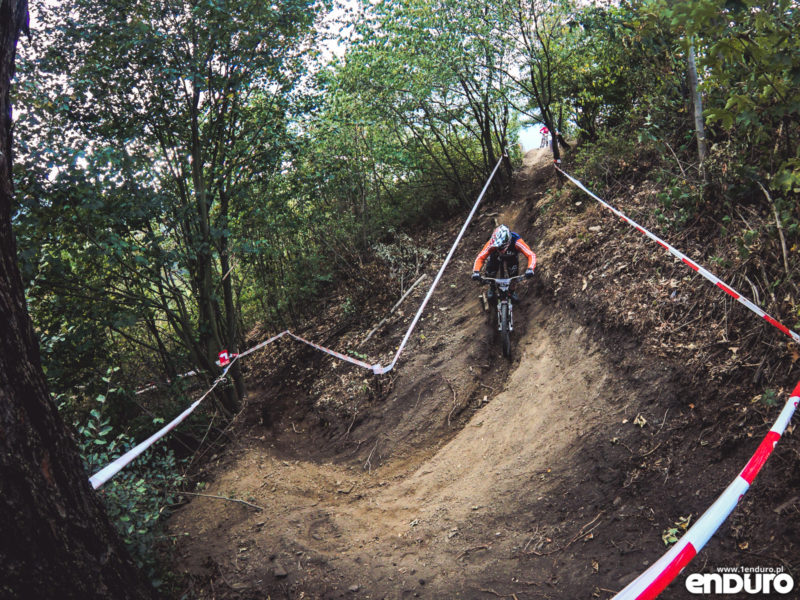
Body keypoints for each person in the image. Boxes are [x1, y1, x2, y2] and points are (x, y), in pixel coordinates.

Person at [472, 225, 536, 304]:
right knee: (490, 272)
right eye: (497, 247)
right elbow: (480, 257)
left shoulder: (517, 241)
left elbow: (531, 255)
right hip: (495, 257)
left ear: (508, 242)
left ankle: (512, 291)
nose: (499, 249)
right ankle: (492, 288)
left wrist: (530, 269)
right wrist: (476, 272)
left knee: (513, 274)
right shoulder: (491, 243)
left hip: (511, 257)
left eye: (501, 247)